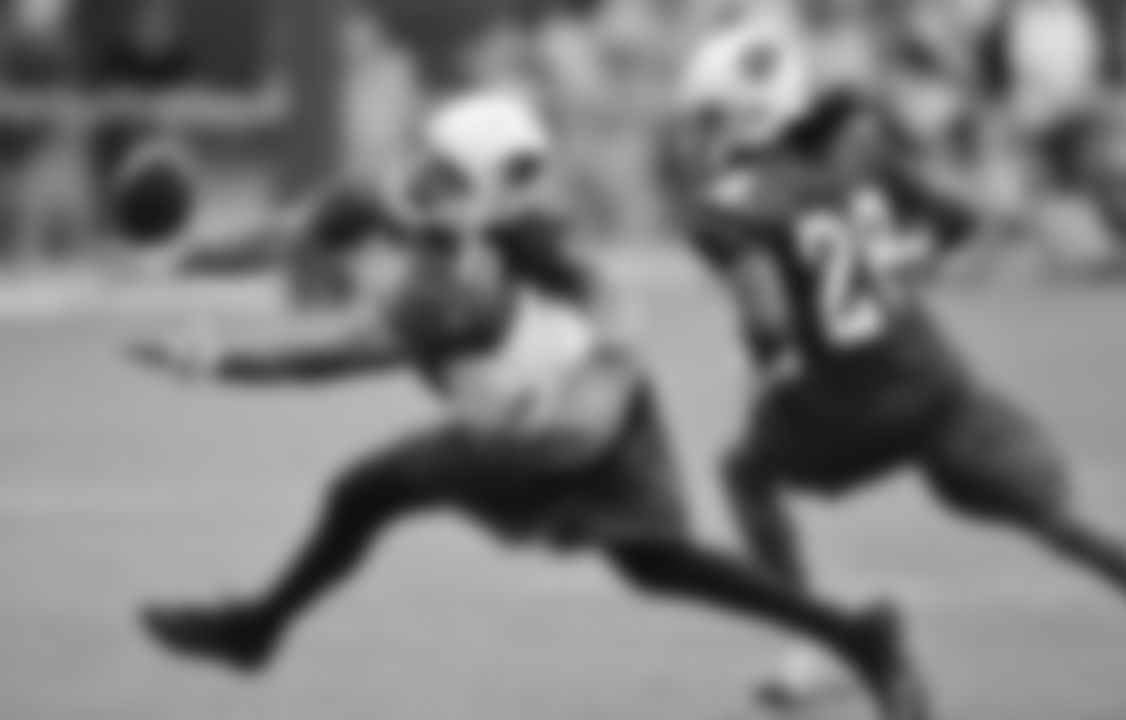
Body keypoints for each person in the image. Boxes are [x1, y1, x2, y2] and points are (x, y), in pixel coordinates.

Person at [132, 89, 927, 720]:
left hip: (553, 428)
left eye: (450, 177)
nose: (426, 182)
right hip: (564, 408)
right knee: (655, 563)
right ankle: (859, 637)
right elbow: (285, 231)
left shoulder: (458, 281)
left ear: (487, 192)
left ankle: (254, 632)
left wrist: (217, 361)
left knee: (364, 492)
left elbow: (331, 358)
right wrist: (183, 253)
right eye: (432, 162)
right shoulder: (401, 206)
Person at [671, 19, 1126, 719]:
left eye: (711, 116)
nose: (702, 133)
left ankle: (812, 651)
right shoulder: (854, 149)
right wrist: (896, 265)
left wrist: (764, 369)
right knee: (1061, 523)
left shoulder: (729, 206)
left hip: (844, 403)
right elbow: (962, 221)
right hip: (932, 381)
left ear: (744, 115)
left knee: (742, 472)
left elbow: (768, 322)